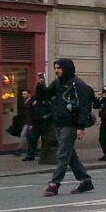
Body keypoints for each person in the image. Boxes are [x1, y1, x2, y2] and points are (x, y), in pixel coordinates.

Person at [42, 58, 95, 196]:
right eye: (55, 68)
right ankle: (85, 181)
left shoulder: (78, 84)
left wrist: (80, 127)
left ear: (66, 68)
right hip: (59, 122)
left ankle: (54, 184)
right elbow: (46, 95)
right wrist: (40, 85)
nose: (56, 70)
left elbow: (84, 107)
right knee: (70, 155)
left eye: (59, 68)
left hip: (70, 124)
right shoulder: (58, 82)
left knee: (63, 155)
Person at [22, 72, 51, 161]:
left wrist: (47, 116)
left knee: (45, 140)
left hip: (45, 122)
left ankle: (44, 155)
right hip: (36, 122)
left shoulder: (48, 99)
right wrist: (31, 122)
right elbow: (30, 110)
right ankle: (30, 155)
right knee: (32, 139)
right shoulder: (35, 100)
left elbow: (53, 110)